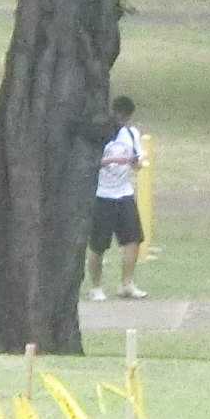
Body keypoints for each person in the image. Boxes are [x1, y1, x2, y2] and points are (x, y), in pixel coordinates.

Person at [86, 96, 148, 301]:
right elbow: (91, 162)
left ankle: (127, 284)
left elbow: (137, 161)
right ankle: (96, 287)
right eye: (120, 117)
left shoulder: (131, 133)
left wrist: (134, 163)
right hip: (102, 195)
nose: (122, 121)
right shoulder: (101, 134)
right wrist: (113, 159)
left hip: (124, 193)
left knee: (133, 239)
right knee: (98, 244)